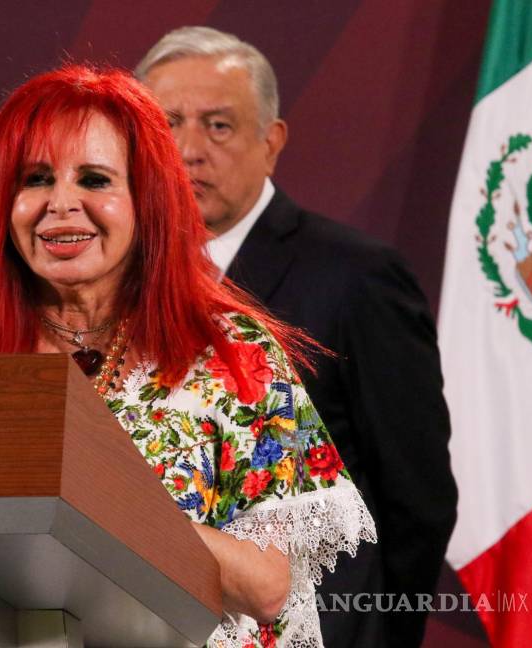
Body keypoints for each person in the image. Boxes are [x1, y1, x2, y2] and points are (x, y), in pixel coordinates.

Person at [0, 65, 375, 648]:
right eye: (35, 179)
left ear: (148, 200)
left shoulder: (231, 355)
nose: (60, 204)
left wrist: (87, 498)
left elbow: (265, 587)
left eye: (94, 179)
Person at [136, 27, 457, 648]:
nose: (188, 150)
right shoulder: (111, 285)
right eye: (167, 124)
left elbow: (417, 498)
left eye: (218, 126)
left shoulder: (357, 277)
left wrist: (376, 635)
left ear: (271, 142)